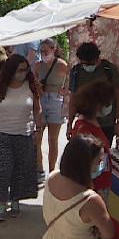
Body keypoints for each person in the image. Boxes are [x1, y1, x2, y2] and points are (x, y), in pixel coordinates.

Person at [0, 54, 44, 219]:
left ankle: (16, 200)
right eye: (20, 70)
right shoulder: (0, 85)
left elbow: (37, 109)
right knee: (4, 168)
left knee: (20, 169)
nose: (23, 73)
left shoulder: (31, 86)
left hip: (24, 134)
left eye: (26, 70)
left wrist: (38, 127)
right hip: (1, 133)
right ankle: (2, 203)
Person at [66, 42, 119, 142]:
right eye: (85, 64)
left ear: (98, 58)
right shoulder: (76, 72)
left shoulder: (109, 70)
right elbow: (73, 99)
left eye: (92, 63)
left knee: (104, 153)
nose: (88, 66)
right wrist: (69, 124)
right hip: (85, 123)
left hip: (107, 123)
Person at [68, 80, 116, 197]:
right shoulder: (86, 130)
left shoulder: (85, 124)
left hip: (99, 184)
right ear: (99, 105)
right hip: (96, 187)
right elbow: (85, 165)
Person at [35, 38, 69, 181]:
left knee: (52, 139)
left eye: (46, 51)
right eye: (41, 51)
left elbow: (70, 82)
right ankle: (39, 169)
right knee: (37, 138)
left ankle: (52, 170)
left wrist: (65, 91)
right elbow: (34, 81)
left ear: (53, 49)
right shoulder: (38, 65)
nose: (43, 54)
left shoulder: (62, 65)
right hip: (42, 100)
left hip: (56, 101)